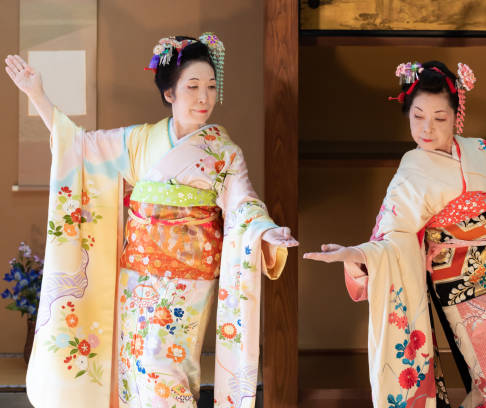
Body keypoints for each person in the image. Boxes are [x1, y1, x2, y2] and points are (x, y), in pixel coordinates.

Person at [6, 33, 298, 408]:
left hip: (188, 281)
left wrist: (265, 230)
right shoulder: (140, 141)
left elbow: (243, 203)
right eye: (192, 86)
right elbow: (78, 146)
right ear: (170, 93)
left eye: (210, 86)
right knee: (135, 368)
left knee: (166, 367)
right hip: (138, 277)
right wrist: (37, 95)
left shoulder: (224, 152)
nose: (204, 97)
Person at [304, 60, 486, 407]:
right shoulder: (410, 174)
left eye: (439, 118)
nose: (426, 128)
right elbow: (391, 239)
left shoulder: (480, 152)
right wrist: (358, 256)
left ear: (457, 114)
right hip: (464, 293)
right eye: (417, 117)